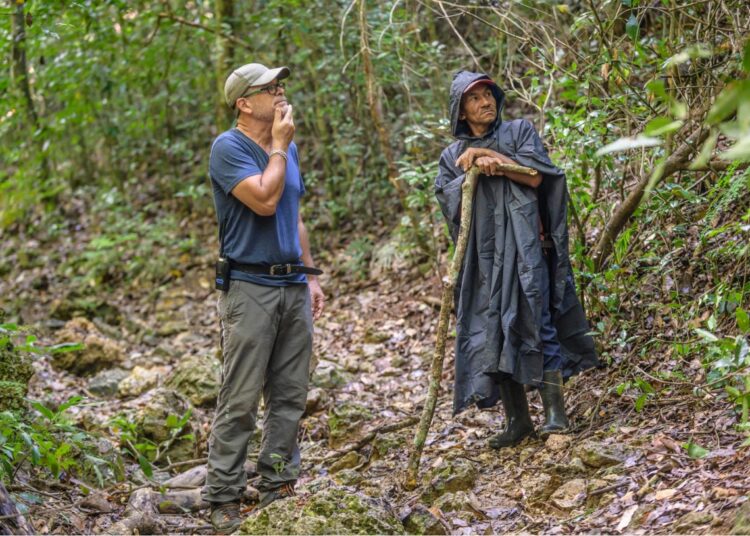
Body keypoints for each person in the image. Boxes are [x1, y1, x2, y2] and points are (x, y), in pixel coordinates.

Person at [434, 70, 599, 450]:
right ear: (461, 111)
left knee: (538, 323)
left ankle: (556, 414)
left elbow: (539, 176)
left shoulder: (520, 132)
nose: (485, 102)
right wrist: (472, 169)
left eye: (488, 94)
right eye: (474, 98)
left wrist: (493, 158)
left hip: (528, 252)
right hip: (485, 263)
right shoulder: (449, 157)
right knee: (495, 331)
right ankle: (517, 420)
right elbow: (450, 203)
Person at [201, 62, 325, 534]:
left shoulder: (285, 148)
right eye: (269, 88)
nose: (280, 92)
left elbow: (293, 214)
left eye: (281, 85)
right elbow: (264, 200)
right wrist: (278, 146)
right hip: (249, 286)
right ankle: (223, 497)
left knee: (291, 394)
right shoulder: (228, 148)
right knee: (240, 397)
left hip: (292, 284)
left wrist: (311, 277)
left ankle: (277, 484)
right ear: (244, 102)